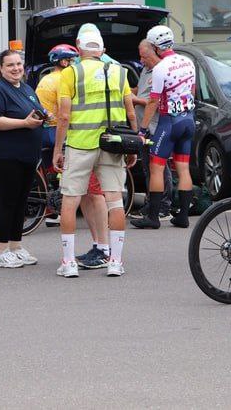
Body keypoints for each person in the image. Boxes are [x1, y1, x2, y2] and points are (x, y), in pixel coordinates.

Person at [53, 24, 138, 277]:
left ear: (78, 48)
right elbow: (131, 112)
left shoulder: (71, 73)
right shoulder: (120, 72)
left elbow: (64, 116)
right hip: (112, 144)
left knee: (70, 201)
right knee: (115, 201)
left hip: (80, 144)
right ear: (102, 49)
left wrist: (58, 149)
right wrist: (133, 144)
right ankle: (115, 261)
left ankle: (69, 263)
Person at [35, 44, 110, 270]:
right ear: (65, 61)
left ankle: (97, 247)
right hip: (80, 139)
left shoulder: (46, 79)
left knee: (81, 193)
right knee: (90, 194)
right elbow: (65, 115)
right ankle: (103, 248)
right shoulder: (68, 78)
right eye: (73, 59)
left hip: (53, 133)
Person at [0, 49, 45, 268]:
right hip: (7, 156)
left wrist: (44, 116)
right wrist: (24, 123)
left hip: (27, 156)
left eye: (18, 64)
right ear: (1, 69)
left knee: (21, 203)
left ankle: (16, 248)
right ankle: (0, 253)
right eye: (10, 65)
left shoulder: (26, 89)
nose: (16, 68)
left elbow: (36, 111)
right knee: (8, 203)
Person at [131, 26, 195, 229]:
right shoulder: (188, 61)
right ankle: (183, 216)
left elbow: (153, 102)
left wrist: (142, 130)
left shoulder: (160, 68)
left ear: (155, 46)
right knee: (183, 168)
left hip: (169, 122)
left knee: (156, 167)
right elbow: (192, 91)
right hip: (188, 119)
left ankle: (153, 217)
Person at [130, 39, 173, 222]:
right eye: (140, 56)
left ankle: (164, 207)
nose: (141, 60)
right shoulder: (145, 70)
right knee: (148, 168)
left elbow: (153, 102)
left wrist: (133, 100)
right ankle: (151, 205)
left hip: (155, 127)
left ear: (154, 53)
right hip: (144, 127)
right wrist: (126, 91)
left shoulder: (161, 71)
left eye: (144, 56)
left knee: (160, 168)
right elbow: (139, 91)